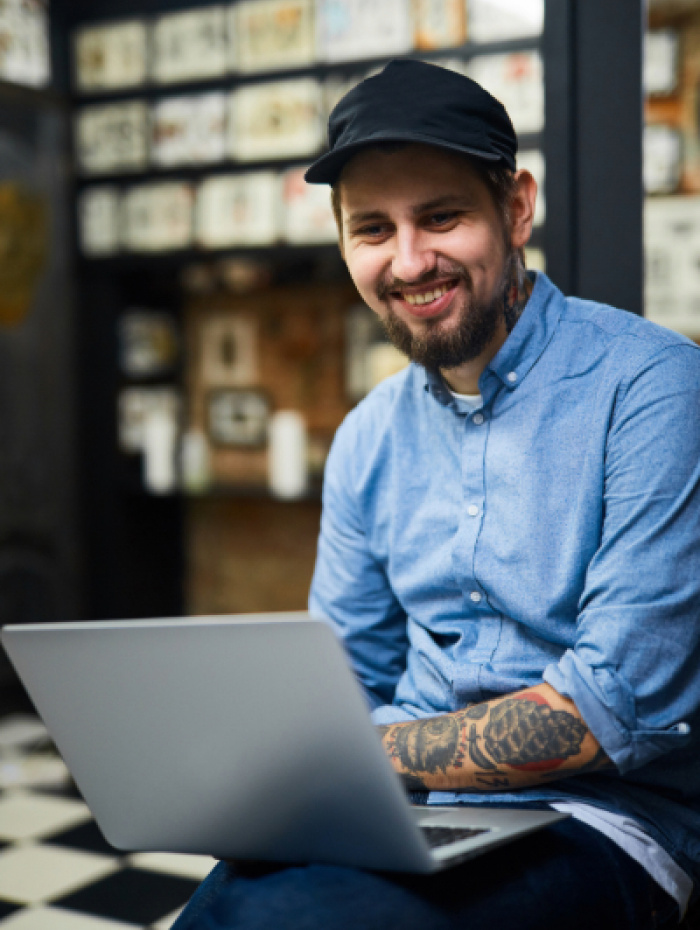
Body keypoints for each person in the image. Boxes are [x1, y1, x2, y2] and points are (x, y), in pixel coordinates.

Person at [174, 59, 700, 929]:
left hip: (604, 824)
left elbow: (608, 715)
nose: (409, 260)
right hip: (404, 810)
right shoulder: (367, 438)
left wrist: (365, 755)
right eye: (372, 229)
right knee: (219, 912)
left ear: (517, 208)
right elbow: (345, 681)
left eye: (442, 217)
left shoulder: (655, 391)